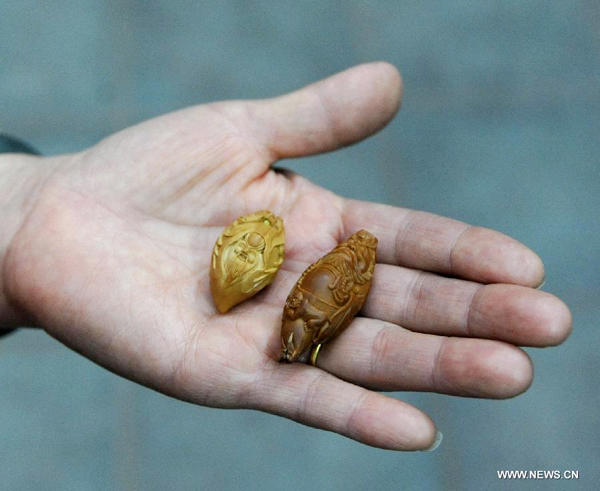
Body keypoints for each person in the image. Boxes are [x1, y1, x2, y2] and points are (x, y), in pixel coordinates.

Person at [0, 62, 571, 451]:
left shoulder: (327, 277)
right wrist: (23, 215)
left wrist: (23, 211)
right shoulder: (279, 277)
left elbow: (319, 301)